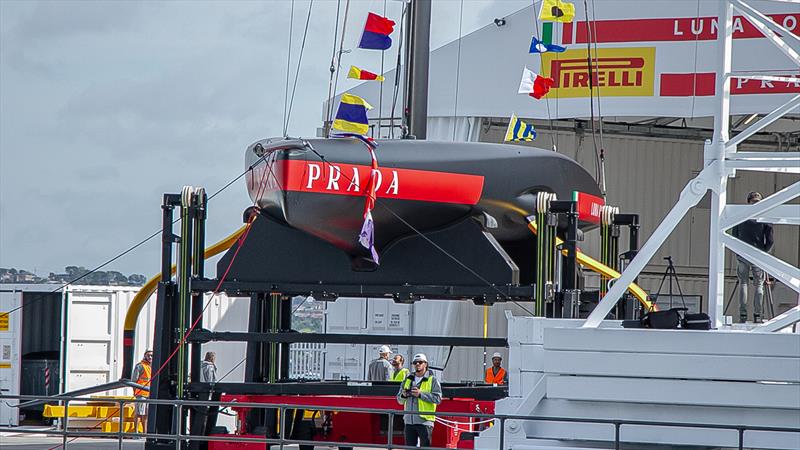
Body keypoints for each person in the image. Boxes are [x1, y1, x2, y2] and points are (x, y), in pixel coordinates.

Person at [732, 191, 774, 323]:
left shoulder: (741, 215)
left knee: (743, 283)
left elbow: (734, 235)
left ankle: (743, 315)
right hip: (757, 254)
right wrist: (764, 251)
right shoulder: (764, 216)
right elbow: (771, 239)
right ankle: (757, 315)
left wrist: (738, 251)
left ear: (748, 201)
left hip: (743, 254)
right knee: (759, 285)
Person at [396, 353, 442, 447]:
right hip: (409, 421)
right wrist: (404, 395)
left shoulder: (432, 380)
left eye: (420, 362)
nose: (417, 364)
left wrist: (421, 394)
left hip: (425, 421)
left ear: (425, 364)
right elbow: (399, 400)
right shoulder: (407, 379)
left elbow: (438, 398)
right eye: (415, 362)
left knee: (425, 447)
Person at [131, 350, 153, 433]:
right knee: (139, 413)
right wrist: (135, 392)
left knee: (146, 414)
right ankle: (135, 431)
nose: (150, 357)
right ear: (145, 356)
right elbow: (134, 381)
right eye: (148, 355)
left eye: (151, 355)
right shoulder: (140, 366)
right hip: (141, 393)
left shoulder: (153, 366)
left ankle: (145, 431)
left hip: (149, 393)